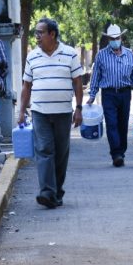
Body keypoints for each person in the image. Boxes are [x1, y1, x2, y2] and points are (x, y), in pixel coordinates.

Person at [18, 18, 84, 209]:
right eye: (35, 33)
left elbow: (77, 82)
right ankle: (47, 192)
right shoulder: (32, 57)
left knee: (61, 153)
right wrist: (21, 112)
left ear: (52, 34)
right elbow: (26, 86)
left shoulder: (70, 54)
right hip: (40, 112)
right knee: (45, 150)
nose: (37, 36)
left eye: (40, 32)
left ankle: (57, 191)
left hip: (63, 112)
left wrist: (79, 108)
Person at [86, 24, 133, 168]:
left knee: (122, 125)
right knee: (111, 124)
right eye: (112, 38)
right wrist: (92, 94)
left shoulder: (130, 54)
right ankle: (116, 154)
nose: (115, 40)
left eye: (117, 38)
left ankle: (121, 152)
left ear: (121, 38)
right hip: (109, 94)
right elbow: (96, 76)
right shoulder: (101, 55)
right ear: (108, 39)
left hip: (125, 93)